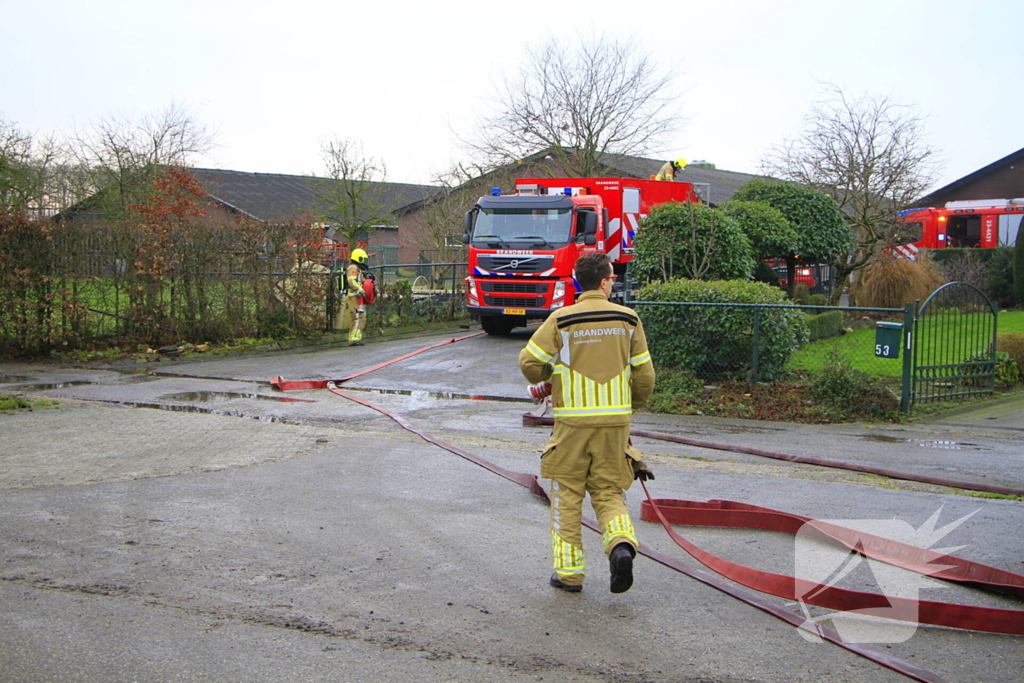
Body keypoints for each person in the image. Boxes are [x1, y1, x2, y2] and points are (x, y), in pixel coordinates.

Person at [519, 252, 656, 594]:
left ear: (579, 282)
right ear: (606, 280)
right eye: (613, 278)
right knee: (609, 491)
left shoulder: (562, 319)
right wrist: (628, 407)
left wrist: (552, 374)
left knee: (566, 496)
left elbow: (528, 363)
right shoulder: (629, 319)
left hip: (570, 428)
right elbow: (645, 375)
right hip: (615, 426)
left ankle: (569, 575)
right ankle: (621, 545)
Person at [344, 248, 370, 346]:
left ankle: (356, 338)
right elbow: (352, 281)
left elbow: (360, 280)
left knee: (361, 317)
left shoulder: (358, 269)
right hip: (354, 296)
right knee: (357, 317)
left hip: (358, 296)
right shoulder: (353, 268)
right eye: (362, 259)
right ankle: (354, 340)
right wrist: (360, 289)